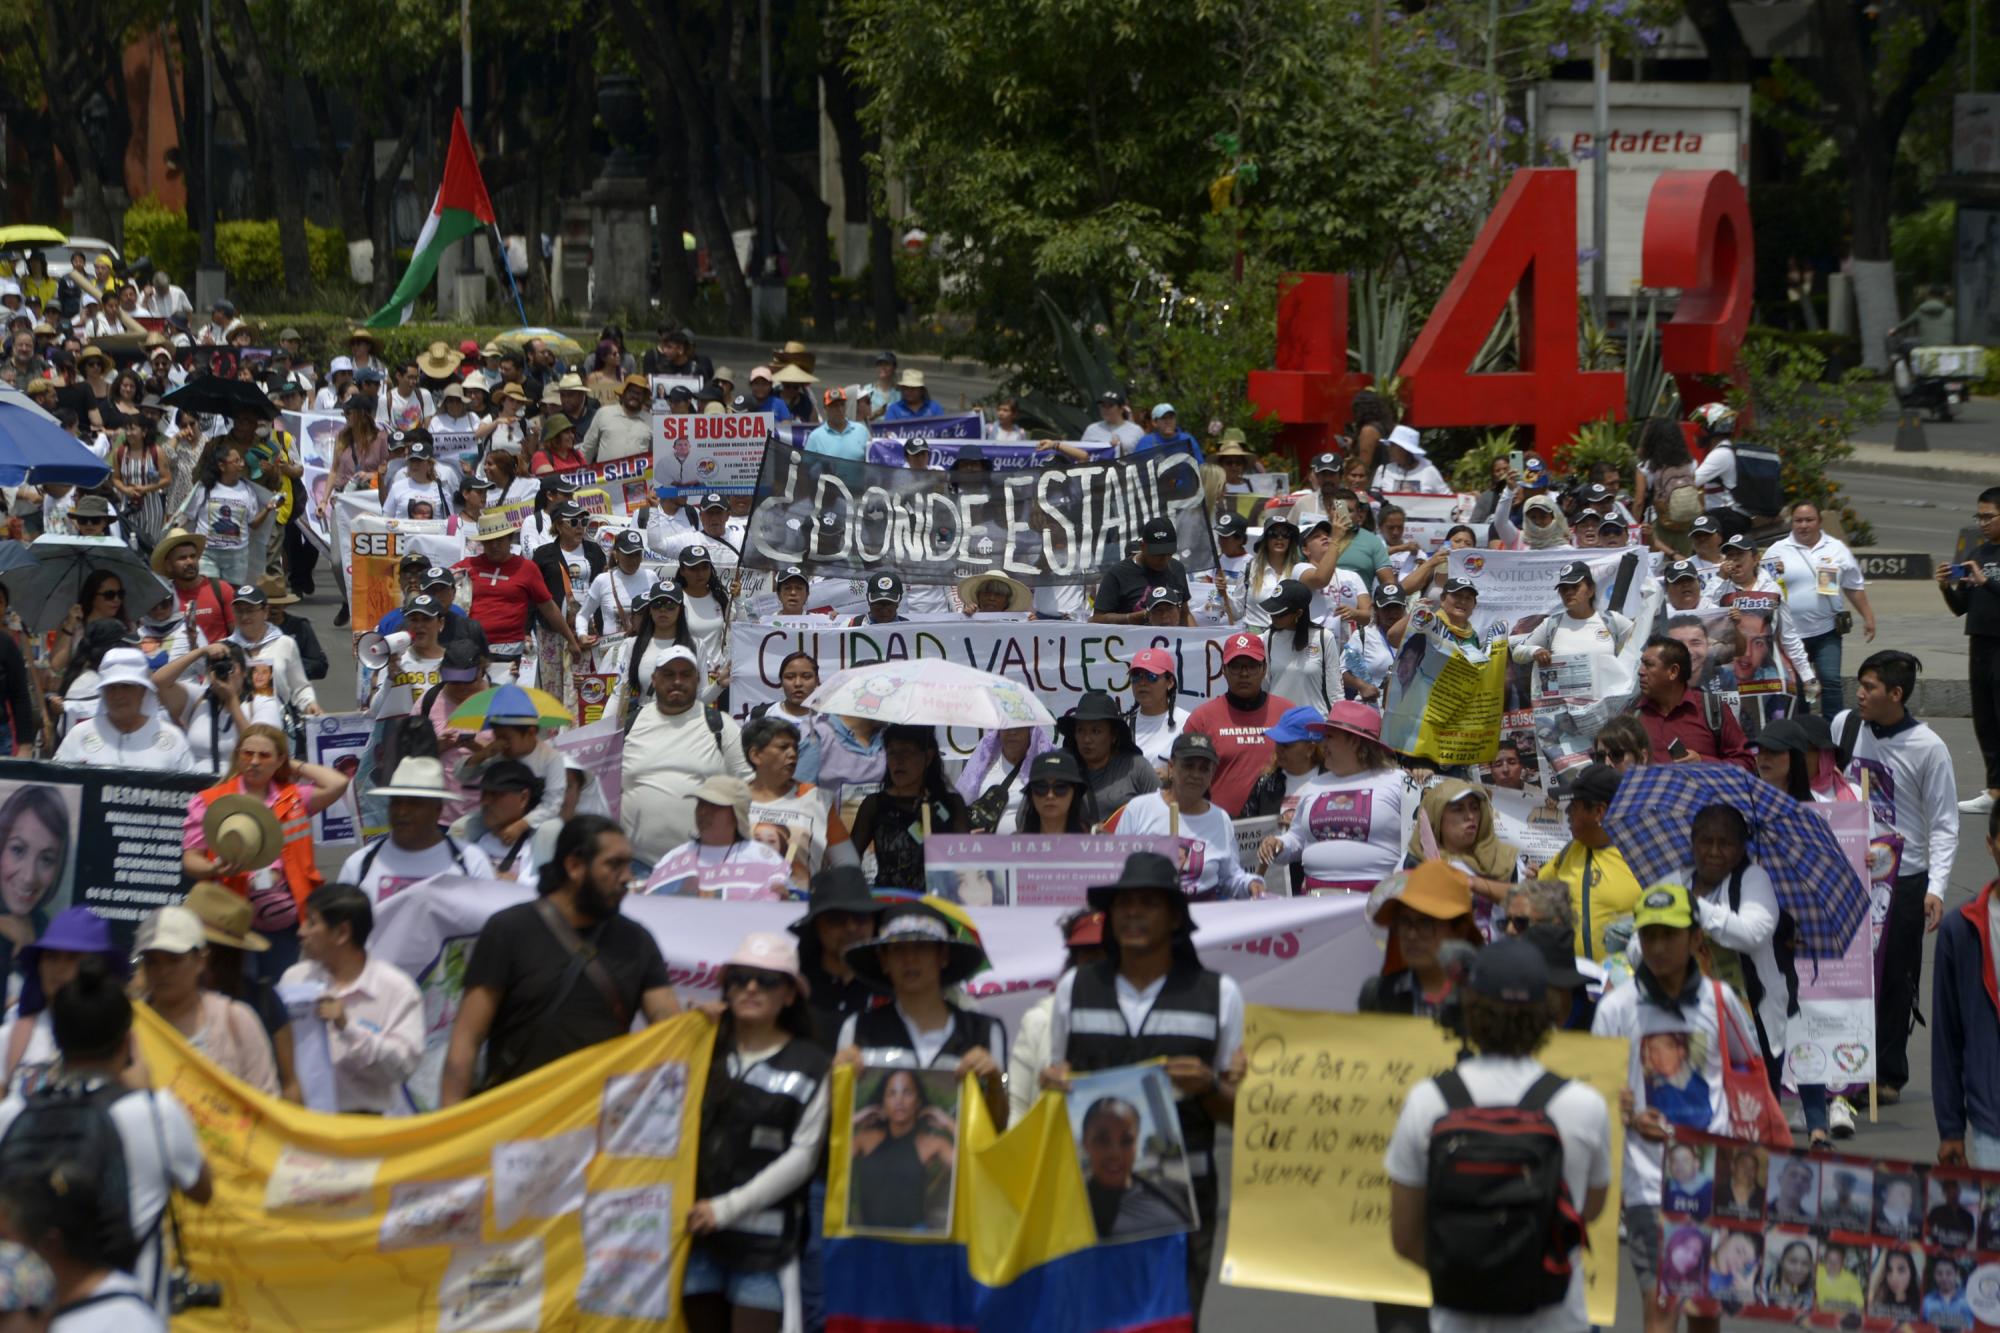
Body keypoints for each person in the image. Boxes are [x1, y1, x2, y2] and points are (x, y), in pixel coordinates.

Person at [1042, 851, 1244, 1320]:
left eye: (1148, 902)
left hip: (1185, 1202)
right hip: (1091, 1197)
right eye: (1123, 903)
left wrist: (1209, 1086)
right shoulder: (1075, 988)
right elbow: (1058, 1082)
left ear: (1175, 917)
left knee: (1172, 1321)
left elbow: (1236, 1111)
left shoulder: (1220, 995)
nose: (1132, 913)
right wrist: (1052, 1082)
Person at [1386, 935, 1610, 1333]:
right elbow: (1588, 1211)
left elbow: (1404, 1237)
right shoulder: (1585, 1105)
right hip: (1557, 1318)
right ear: (1550, 1013)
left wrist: (1472, 1270)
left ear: (1469, 1006)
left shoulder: (1428, 1102)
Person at [1592, 884, 1756, 1333]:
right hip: (1648, 1186)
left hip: (1714, 1182)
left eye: (1670, 934)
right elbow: (1597, 1094)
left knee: (1705, 1310)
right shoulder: (1615, 1009)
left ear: (1694, 937)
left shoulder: (1721, 1003)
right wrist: (1623, 1111)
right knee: (1660, 1308)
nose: (1659, 947)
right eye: (1650, 935)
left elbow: (1750, 1073)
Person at [440, 816, 680, 1105]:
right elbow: (467, 1038)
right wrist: (451, 1131)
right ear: (574, 866)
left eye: (628, 864)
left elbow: (669, 1026)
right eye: (614, 864)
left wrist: (705, 1023)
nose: (628, 876)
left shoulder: (637, 942)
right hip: (515, 1125)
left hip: (596, 1129)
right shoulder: (509, 931)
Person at [686, 932, 830, 1333]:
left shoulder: (813, 1065)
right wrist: (688, 1027)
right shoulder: (701, 1049)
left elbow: (802, 1159)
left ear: (789, 995)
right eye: (741, 978)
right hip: (698, 1240)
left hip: (766, 1250)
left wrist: (725, 1209)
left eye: (767, 980)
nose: (751, 987)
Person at [1837, 650, 1958, 1103]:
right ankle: (1842, 1063)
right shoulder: (1847, 727)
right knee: (1847, 973)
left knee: (1895, 978)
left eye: (1869, 687)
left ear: (1897, 693)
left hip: (1905, 880)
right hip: (1850, 872)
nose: (1860, 695)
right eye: (1860, 686)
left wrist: (1936, 888)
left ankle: (1886, 1072)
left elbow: (1945, 824)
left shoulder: (1929, 748)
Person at [181, 724, 350, 978]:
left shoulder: (293, 797)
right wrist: (213, 868)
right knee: (238, 994)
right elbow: (191, 860)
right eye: (247, 754)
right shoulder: (209, 800)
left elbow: (337, 783)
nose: (255, 762)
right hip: (231, 923)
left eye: (264, 756)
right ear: (238, 755)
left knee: (281, 998)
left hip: (287, 927)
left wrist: (290, 765)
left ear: (280, 758)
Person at [835, 903, 1006, 1128]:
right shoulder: (858, 1028)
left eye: (921, 947)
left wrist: (994, 1083)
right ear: (884, 960)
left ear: (943, 956)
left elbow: (999, 1126)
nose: (910, 959)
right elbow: (838, 1122)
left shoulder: (983, 1030)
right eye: (898, 949)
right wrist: (836, 1080)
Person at [278, 884, 422, 1114]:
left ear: (342, 933)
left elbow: (402, 1067)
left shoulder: (396, 989)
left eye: (312, 922)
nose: (301, 931)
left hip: (365, 1130)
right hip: (304, 1125)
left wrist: (348, 1029)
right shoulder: (295, 978)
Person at [1261, 701, 1409, 894]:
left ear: (1354, 740)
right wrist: (1280, 844)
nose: (1323, 744)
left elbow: (1417, 843)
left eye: (1329, 737)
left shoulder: (1398, 782)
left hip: (1377, 900)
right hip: (1317, 900)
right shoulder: (1315, 785)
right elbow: (1298, 837)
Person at [621, 649, 752, 866]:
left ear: (698, 679)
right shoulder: (629, 725)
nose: (677, 681)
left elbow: (749, 787)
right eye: (669, 674)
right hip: (636, 864)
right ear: (654, 679)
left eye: (685, 674)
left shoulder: (721, 726)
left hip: (707, 864)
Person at [133, 904, 278, 1094]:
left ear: (200, 960)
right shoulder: (128, 1025)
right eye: (152, 961)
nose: (163, 971)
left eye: (174, 959)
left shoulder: (236, 1020)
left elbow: (266, 1098)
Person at [1102, 734, 1262, 899]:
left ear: (1212, 773)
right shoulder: (1139, 809)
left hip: (1207, 918)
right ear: (1171, 767)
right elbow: (1116, 868)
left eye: (1204, 768)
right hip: (1151, 913)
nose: (1195, 774)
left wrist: (1250, 884)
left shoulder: (1220, 819)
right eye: (1188, 766)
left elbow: (1230, 877)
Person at [1933, 802, 2000, 1168]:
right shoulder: (1961, 930)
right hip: (1992, 1119)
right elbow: (1947, 1035)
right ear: (1990, 845)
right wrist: (1950, 1128)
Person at [0, 909, 126, 1100]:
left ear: (100, 967)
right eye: (51, 956)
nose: (58, 967)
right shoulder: (10, 1038)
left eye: (73, 957)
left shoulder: (125, 1042)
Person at [335, 757, 496, 906]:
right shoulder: (360, 864)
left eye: (415, 803)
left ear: (437, 809)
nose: (402, 811)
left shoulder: (471, 861)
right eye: (396, 802)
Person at [1762, 502, 1873, 716]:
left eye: (1809, 520)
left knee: (1830, 681)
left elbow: (1853, 585)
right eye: (1798, 521)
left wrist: (1868, 617)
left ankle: (1835, 734)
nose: (1804, 525)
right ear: (1791, 523)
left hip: (1827, 631)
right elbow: (1760, 585)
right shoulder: (1777, 550)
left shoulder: (1836, 548)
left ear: (1819, 522)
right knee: (1800, 687)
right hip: (1791, 635)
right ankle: (1802, 736)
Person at [1534, 763, 1643, 962]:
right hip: (1573, 985)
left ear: (1599, 811)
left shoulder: (1641, 858)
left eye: (1574, 807)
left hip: (1625, 985)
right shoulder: (1570, 852)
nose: (1567, 813)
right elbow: (1531, 894)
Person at [1184, 634, 1295, 815]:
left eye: (1251, 665)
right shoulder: (1202, 718)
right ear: (1224, 670)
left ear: (1264, 668)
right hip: (1218, 828)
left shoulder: (1287, 713)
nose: (1244, 673)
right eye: (1236, 666)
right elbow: (1186, 776)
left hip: (1276, 828)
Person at [850, 726, 971, 891]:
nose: (898, 761)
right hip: (888, 905)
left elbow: (965, 859)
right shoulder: (874, 805)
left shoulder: (951, 804)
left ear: (928, 757)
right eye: (892, 753)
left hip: (938, 904)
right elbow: (849, 859)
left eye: (907, 752)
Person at [1358, 860, 1483, 1017]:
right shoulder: (1378, 995)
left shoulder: (1487, 999)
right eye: (1404, 922)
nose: (1411, 935)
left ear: (1460, 930)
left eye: (1425, 923)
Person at [1942, 487, 2000, 817]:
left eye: (1989, 516)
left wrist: (1987, 582)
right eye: (1979, 516)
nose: (1982, 523)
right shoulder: (1978, 553)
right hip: (1979, 642)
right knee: (1985, 719)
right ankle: (1995, 789)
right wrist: (1945, 587)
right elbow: (1960, 608)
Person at [844, 1066, 957, 1232]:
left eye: (907, 1092)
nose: (899, 1100)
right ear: (882, 1102)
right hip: (868, 1236)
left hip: (914, 1236)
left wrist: (948, 1123)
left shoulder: (933, 1144)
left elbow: (969, 1168)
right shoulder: (864, 1140)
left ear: (918, 1101)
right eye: (891, 1093)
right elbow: (833, 1160)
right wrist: (854, 1119)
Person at [1406, 781, 1523, 938]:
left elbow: (1531, 907)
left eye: (1475, 808)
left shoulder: (1505, 859)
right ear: (1437, 816)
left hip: (1498, 957)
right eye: (1458, 809)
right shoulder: (1414, 862)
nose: (1470, 816)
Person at [49, 649, 196, 773]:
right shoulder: (79, 735)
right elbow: (59, 784)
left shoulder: (173, 739)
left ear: (143, 691)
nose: (118, 695)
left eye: (126, 686)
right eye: (111, 687)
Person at [1078, 1095, 1194, 1239]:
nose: (1115, 1153)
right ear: (1085, 1143)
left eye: (1126, 1141)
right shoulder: (1071, 1214)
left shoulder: (1176, 1193)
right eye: (1102, 1140)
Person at [1633, 636, 1753, 770]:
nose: (1641, 671)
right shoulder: (1633, 715)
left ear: (1673, 672)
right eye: (1642, 664)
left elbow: (1747, 764)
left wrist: (1703, 762)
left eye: (1649, 665)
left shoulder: (1712, 709)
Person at [1057, 691, 1159, 826]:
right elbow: (1025, 817)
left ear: (1114, 736)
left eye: (1096, 731)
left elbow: (1162, 814)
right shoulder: (1060, 767)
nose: (1087, 739)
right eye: (1081, 730)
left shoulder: (1136, 767)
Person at [1091, 519, 1193, 624]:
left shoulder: (1176, 569)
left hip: (1173, 639)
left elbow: (1185, 614)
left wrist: (1199, 639)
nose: (1165, 559)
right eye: (1158, 554)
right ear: (1143, 546)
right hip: (1133, 639)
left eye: (1169, 553)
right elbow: (1097, 619)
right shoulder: (1118, 574)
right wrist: (1131, 618)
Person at [1082, 390, 1143, 454]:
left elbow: (1142, 455)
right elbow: (1081, 453)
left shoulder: (1136, 430)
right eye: (1103, 406)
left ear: (1121, 409)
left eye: (1110, 406)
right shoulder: (1092, 429)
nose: (1105, 409)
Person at [1762, 1238, 1815, 1309]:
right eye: (1793, 1261)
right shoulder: (1763, 1286)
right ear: (1781, 1261)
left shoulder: (1811, 1298)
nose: (1798, 1269)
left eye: (1805, 1264)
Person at [1925, 1254, 1974, 1329]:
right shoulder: (1926, 1301)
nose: (1944, 1278)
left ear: (1956, 1274)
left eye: (1949, 1273)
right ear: (1934, 1275)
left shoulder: (1969, 1300)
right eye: (1939, 1273)